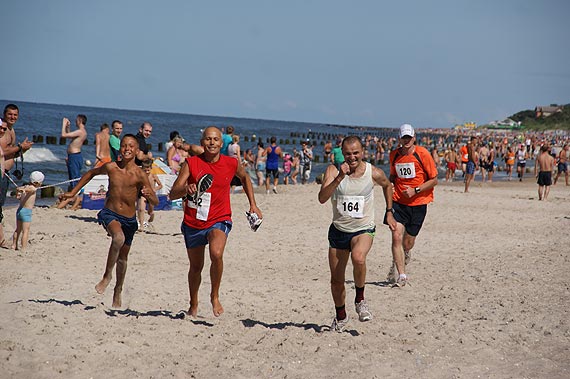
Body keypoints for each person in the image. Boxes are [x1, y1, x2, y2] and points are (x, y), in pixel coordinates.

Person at [169, 126, 262, 318]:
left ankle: (215, 296)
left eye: (216, 139)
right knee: (196, 267)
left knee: (216, 253)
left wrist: (253, 204)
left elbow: (244, 178)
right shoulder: (191, 163)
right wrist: (187, 188)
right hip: (194, 221)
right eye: (208, 139)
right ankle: (193, 303)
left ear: (222, 143)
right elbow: (172, 194)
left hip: (219, 218)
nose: (212, 142)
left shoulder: (231, 163)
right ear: (202, 142)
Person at [60, 134, 159, 308]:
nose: (127, 149)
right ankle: (107, 276)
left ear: (137, 151)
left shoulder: (140, 174)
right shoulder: (112, 167)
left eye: (131, 146)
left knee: (123, 258)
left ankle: (118, 289)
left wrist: (151, 197)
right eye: (124, 146)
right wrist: (73, 192)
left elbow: (155, 201)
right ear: (119, 148)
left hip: (129, 219)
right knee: (118, 238)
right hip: (110, 213)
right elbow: (90, 173)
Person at [318, 136, 395, 332]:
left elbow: (388, 185)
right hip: (339, 230)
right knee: (336, 281)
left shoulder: (372, 172)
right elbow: (322, 198)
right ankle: (341, 316)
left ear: (363, 152)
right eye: (348, 154)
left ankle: (360, 299)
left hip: (363, 228)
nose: (352, 157)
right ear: (342, 153)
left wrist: (389, 211)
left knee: (359, 258)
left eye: (356, 153)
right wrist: (339, 178)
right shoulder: (333, 170)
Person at [386, 124, 438, 287]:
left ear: (414, 137)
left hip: (418, 204)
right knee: (396, 236)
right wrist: (388, 185)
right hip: (398, 203)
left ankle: (405, 253)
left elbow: (434, 180)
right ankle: (402, 275)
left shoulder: (422, 154)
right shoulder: (394, 155)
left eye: (409, 137)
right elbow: (393, 176)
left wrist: (415, 190)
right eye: (404, 137)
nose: (406, 140)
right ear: (399, 138)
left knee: (407, 243)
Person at [0, 105, 33, 246]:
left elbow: (12, 153)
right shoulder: (3, 130)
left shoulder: (11, 130)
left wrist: (23, 149)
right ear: (4, 114)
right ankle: (1, 240)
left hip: (6, 174)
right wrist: (20, 147)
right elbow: (3, 151)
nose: (13, 117)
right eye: (10, 114)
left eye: (15, 115)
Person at [11, 171, 44, 251]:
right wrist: (22, 190)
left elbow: (19, 197)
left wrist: (20, 191)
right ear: (38, 183)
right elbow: (30, 189)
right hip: (26, 212)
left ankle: (14, 245)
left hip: (19, 210)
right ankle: (23, 247)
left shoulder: (25, 187)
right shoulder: (32, 188)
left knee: (18, 229)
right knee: (25, 231)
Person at [61, 115, 87, 191]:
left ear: (80, 121)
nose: (75, 121)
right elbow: (70, 137)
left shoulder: (80, 131)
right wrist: (68, 127)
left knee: (74, 178)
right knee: (73, 177)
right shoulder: (82, 132)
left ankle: (76, 196)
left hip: (74, 156)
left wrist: (63, 124)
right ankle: (75, 195)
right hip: (74, 156)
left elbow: (63, 135)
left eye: (76, 120)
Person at [138, 159, 163, 229]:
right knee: (141, 209)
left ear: (151, 169)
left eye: (148, 170)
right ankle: (141, 225)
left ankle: (152, 216)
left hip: (151, 195)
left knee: (150, 212)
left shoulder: (153, 176)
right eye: (145, 171)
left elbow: (160, 185)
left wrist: (155, 189)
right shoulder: (141, 177)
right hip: (143, 194)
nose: (147, 172)